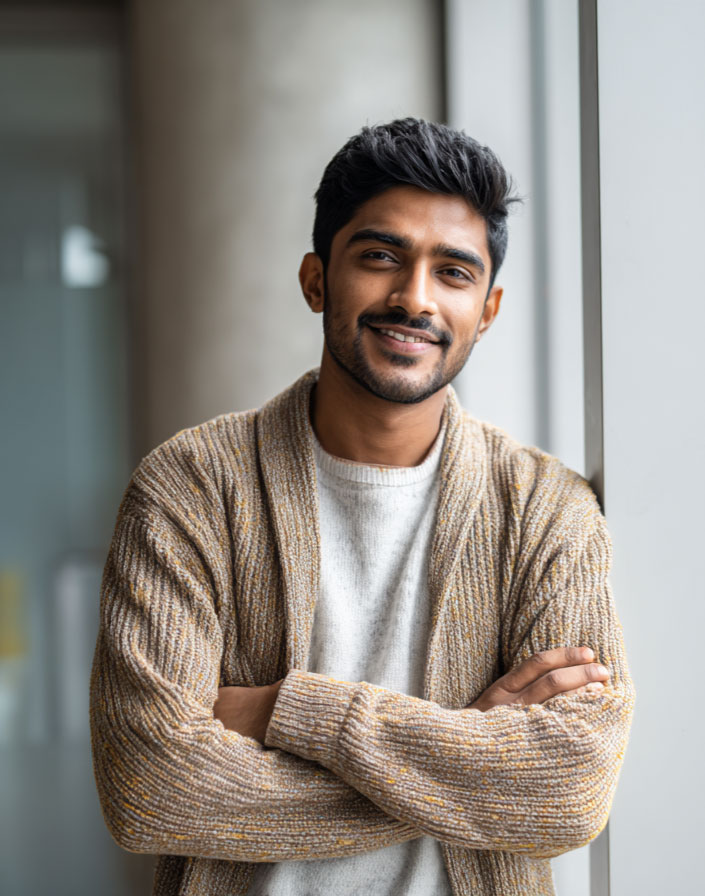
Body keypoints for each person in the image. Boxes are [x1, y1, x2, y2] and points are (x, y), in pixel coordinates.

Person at [89, 118, 634, 896]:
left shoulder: (546, 508)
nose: (413, 298)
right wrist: (471, 753)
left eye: (452, 272)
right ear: (316, 279)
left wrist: (291, 709)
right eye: (380, 258)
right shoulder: (191, 488)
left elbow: (566, 793)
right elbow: (151, 790)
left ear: (487, 309)